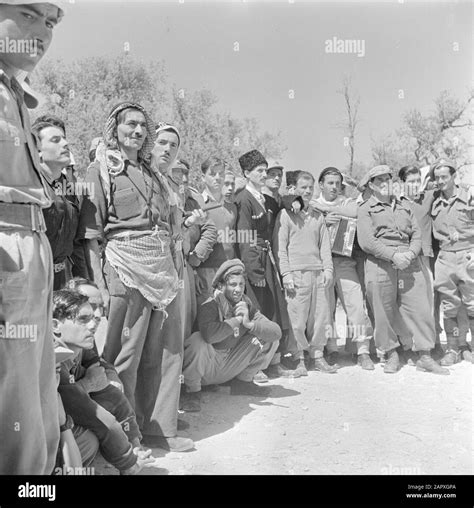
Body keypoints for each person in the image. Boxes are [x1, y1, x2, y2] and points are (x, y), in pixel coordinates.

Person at [79, 104, 193, 452]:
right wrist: (99, 284)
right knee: (124, 357)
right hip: (123, 269)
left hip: (160, 270)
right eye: (131, 124)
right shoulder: (99, 170)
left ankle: (159, 428)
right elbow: (91, 235)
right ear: (115, 127)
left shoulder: (152, 173)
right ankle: (125, 437)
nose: (138, 131)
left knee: (159, 352)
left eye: (144, 125)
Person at [0, 0, 65, 475]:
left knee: (37, 386)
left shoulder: (15, 92)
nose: (41, 30)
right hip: (6, 237)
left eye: (50, 21)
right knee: (15, 388)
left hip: (30, 236)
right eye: (27, 13)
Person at [53, 289, 158, 474]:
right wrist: (129, 464)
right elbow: (99, 419)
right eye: (83, 319)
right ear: (55, 325)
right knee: (88, 440)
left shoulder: (78, 346)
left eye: (94, 316)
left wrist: (134, 444)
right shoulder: (53, 359)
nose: (94, 324)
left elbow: (111, 396)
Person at [357, 165, 449, 375]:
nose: (384, 183)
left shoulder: (404, 206)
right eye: (379, 180)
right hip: (380, 262)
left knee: (420, 307)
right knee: (382, 310)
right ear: (371, 185)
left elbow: (416, 234)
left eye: (387, 179)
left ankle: (424, 354)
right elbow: (367, 241)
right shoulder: (365, 209)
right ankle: (391, 353)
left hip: (409, 260)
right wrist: (393, 256)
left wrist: (409, 254)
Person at [181, 259, 280, 412]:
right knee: (197, 341)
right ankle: (192, 392)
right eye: (233, 284)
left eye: (241, 285)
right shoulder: (210, 303)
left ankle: (243, 383)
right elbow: (209, 336)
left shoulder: (245, 304)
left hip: (229, 365)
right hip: (207, 368)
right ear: (221, 286)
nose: (238, 289)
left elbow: (276, 332)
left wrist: (249, 324)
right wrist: (237, 320)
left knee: (267, 336)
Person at [234, 149, 299, 379]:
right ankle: (254, 365)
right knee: (256, 313)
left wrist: (296, 201)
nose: (264, 174)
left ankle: (272, 361)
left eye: (265, 170)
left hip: (267, 261)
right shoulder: (243, 199)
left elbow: (284, 202)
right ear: (246, 173)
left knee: (273, 310)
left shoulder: (264, 199)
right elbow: (244, 237)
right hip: (254, 263)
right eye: (259, 171)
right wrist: (254, 271)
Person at [274, 171, 337, 375]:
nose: (308, 191)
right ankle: (298, 356)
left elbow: (325, 246)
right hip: (296, 274)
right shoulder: (286, 215)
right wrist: (286, 274)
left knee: (320, 316)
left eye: (310, 188)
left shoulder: (318, 216)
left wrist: (327, 269)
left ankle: (317, 355)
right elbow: (280, 248)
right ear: (294, 189)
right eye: (303, 187)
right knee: (297, 318)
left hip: (317, 273)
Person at [312, 167, 374, 370]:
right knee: (326, 309)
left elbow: (357, 210)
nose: (334, 187)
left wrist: (330, 212)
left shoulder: (345, 203)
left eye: (338, 183)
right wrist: (322, 219)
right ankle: (331, 349)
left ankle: (362, 350)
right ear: (321, 184)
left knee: (355, 305)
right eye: (330, 183)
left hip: (344, 261)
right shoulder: (312, 204)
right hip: (322, 264)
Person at [31, 115, 83, 289]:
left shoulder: (67, 188)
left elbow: (76, 243)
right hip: (33, 280)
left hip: (63, 279)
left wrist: (83, 279)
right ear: (37, 152)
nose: (65, 144)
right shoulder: (28, 187)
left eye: (64, 139)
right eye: (55, 140)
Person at [430, 159, 474, 365]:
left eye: (444, 177)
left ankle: (471, 347)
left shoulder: (469, 196)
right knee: (449, 306)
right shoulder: (433, 201)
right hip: (445, 257)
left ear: (454, 176)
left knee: (472, 304)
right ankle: (452, 349)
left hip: (468, 255)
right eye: (437, 177)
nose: (440, 181)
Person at [196, 157, 238, 303]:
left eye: (221, 174)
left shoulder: (232, 207)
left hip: (228, 270)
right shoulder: (196, 202)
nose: (218, 178)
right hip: (205, 271)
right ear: (203, 177)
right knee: (209, 314)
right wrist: (194, 272)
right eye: (213, 174)